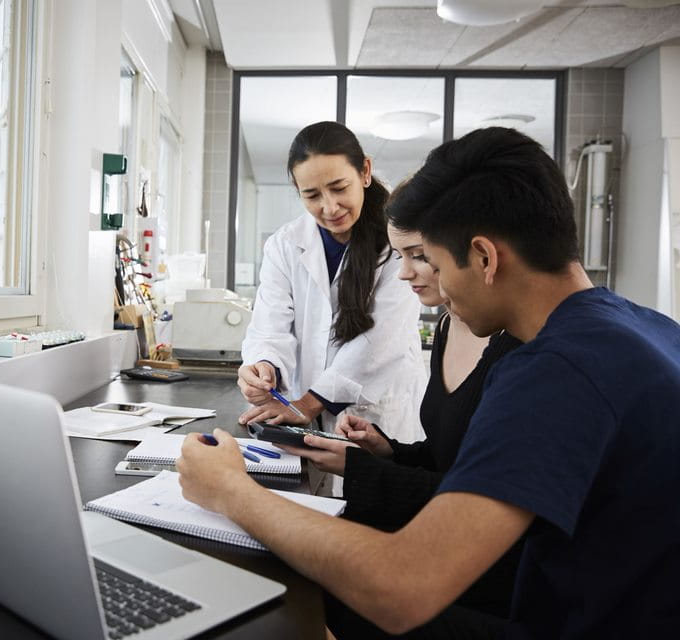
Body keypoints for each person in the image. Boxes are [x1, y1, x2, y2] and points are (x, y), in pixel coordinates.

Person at [177, 127, 680, 637]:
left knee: (300, 594)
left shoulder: (556, 371)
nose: (412, 277)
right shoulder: (640, 329)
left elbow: (402, 587)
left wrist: (229, 491)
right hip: (565, 592)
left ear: (484, 257)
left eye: (430, 260)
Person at [279, 214, 523, 619]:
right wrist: (387, 450)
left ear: (477, 255)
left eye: (420, 257)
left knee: (315, 591)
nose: (404, 273)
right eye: (399, 256)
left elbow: (476, 501)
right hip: (446, 536)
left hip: (488, 577)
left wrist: (357, 468)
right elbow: (451, 453)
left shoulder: (518, 351)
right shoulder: (449, 324)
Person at [237, 121, 426, 450]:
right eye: (312, 195)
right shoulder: (285, 244)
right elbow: (270, 324)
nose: (329, 207)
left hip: (377, 415)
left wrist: (308, 404)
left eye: (339, 188)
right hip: (303, 414)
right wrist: (263, 367)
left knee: (374, 497)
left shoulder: (398, 241)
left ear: (365, 171)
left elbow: (381, 341)